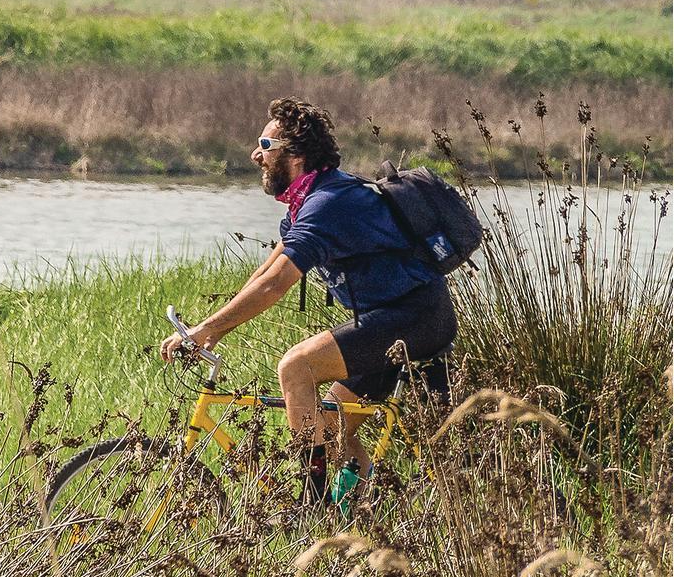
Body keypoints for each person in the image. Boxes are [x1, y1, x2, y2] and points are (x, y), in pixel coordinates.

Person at [159, 98, 455, 511]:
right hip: (388, 320)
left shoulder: (327, 204)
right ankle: (357, 517)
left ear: (295, 157)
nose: (256, 154)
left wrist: (206, 330)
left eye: (266, 144)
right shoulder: (309, 201)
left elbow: (275, 286)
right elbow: (264, 273)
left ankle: (310, 507)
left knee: (296, 367)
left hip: (414, 318)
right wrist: (212, 331)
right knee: (328, 427)